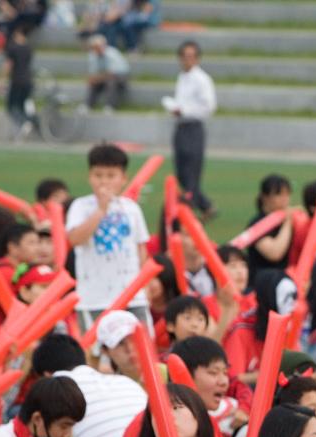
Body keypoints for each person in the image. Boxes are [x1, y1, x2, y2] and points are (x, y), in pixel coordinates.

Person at [66, 143, 151, 327]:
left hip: (132, 297)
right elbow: (75, 239)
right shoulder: (80, 207)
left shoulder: (131, 208)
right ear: (90, 177)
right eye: (98, 175)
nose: (104, 182)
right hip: (94, 299)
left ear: (123, 178)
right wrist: (101, 210)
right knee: (96, 352)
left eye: (111, 176)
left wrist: (144, 285)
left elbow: (140, 249)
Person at [167, 40, 217, 217]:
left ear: (197, 59)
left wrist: (184, 110)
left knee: (191, 171)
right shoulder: (182, 76)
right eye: (184, 56)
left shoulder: (202, 79)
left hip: (193, 127)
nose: (187, 60)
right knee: (181, 170)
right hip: (181, 126)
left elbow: (209, 107)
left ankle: (189, 212)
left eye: (191, 56)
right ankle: (206, 206)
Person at [3, 22, 34, 138]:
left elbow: (8, 65)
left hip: (17, 80)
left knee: (11, 106)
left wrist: (2, 81)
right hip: (28, 80)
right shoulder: (29, 48)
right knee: (21, 105)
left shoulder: (13, 47)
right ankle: (25, 124)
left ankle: (24, 123)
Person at [84, 34, 129, 112]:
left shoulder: (112, 53)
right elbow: (92, 73)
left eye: (98, 46)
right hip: (103, 77)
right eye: (94, 47)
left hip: (120, 76)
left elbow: (113, 73)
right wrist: (94, 78)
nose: (96, 49)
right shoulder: (92, 56)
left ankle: (110, 106)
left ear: (103, 45)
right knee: (93, 83)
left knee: (111, 82)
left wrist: (98, 77)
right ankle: (87, 105)